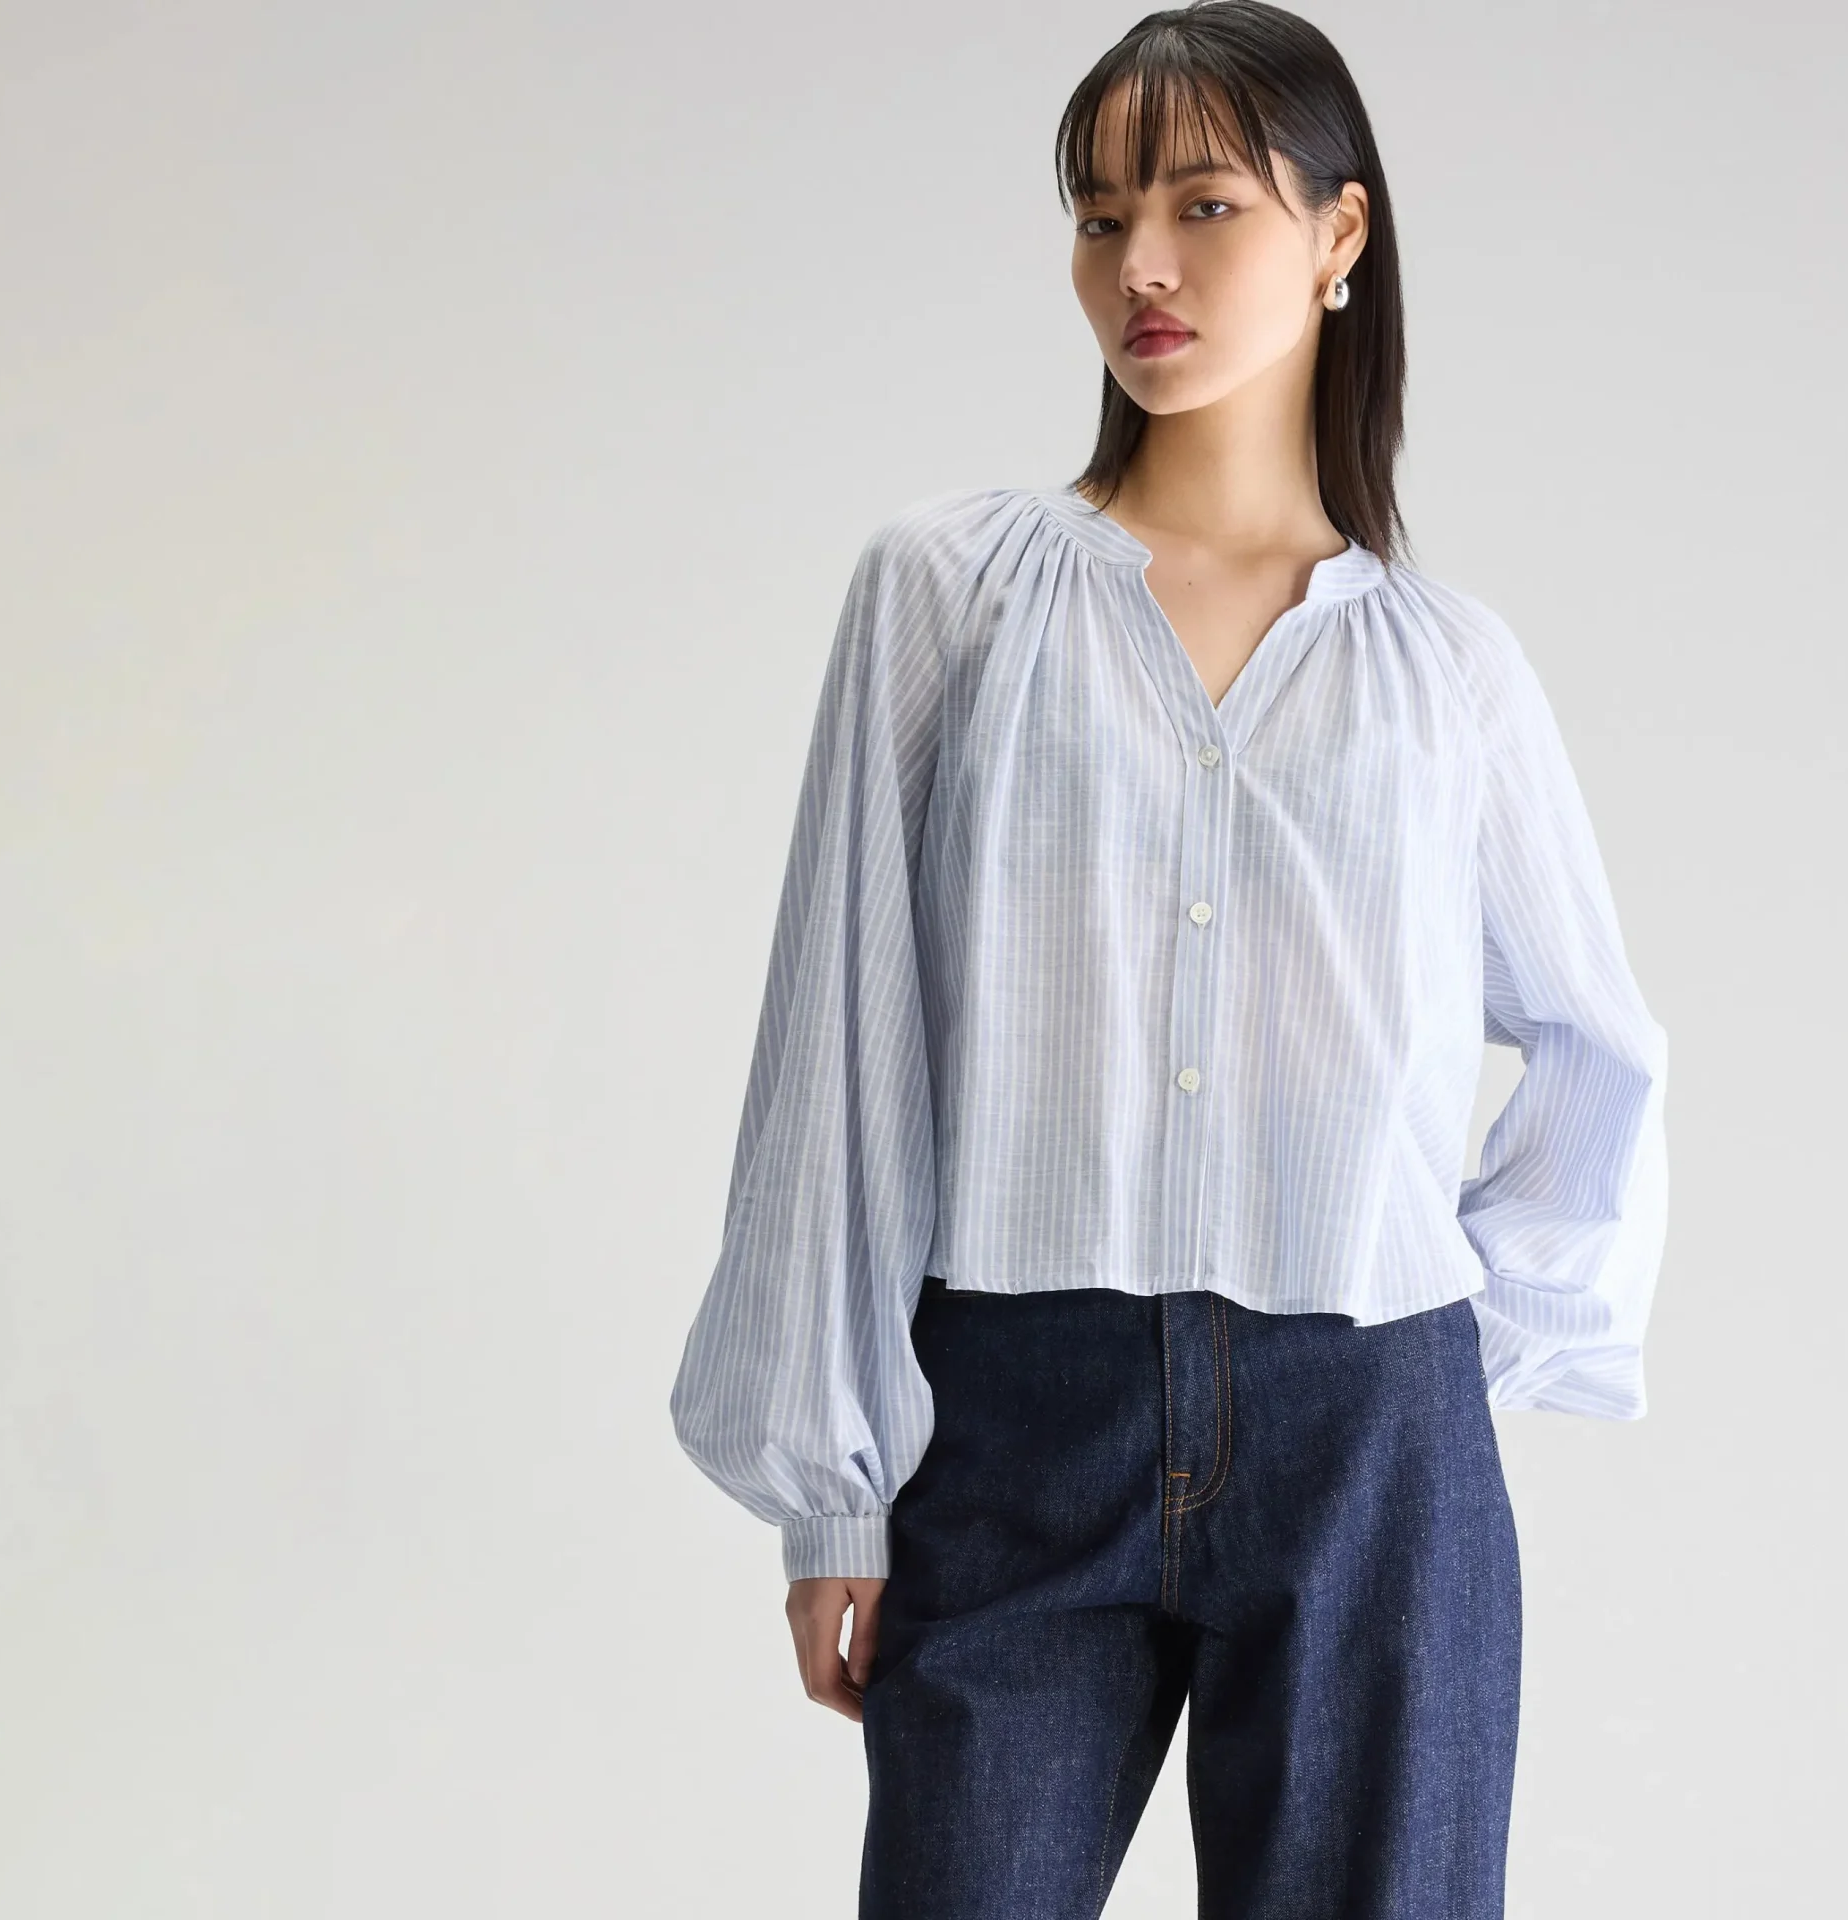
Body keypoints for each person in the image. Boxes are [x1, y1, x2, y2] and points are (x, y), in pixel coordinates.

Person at [668, 4, 1669, 1914]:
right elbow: (844, 1040)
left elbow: (1594, 1042)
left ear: (1341, 234)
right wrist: (833, 1483)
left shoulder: (1445, 672)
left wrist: (1450, 1371)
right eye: (1100, 213)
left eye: (1205, 204)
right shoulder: (953, 597)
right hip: (1014, 1417)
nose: (1140, 263)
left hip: (1365, 1432)